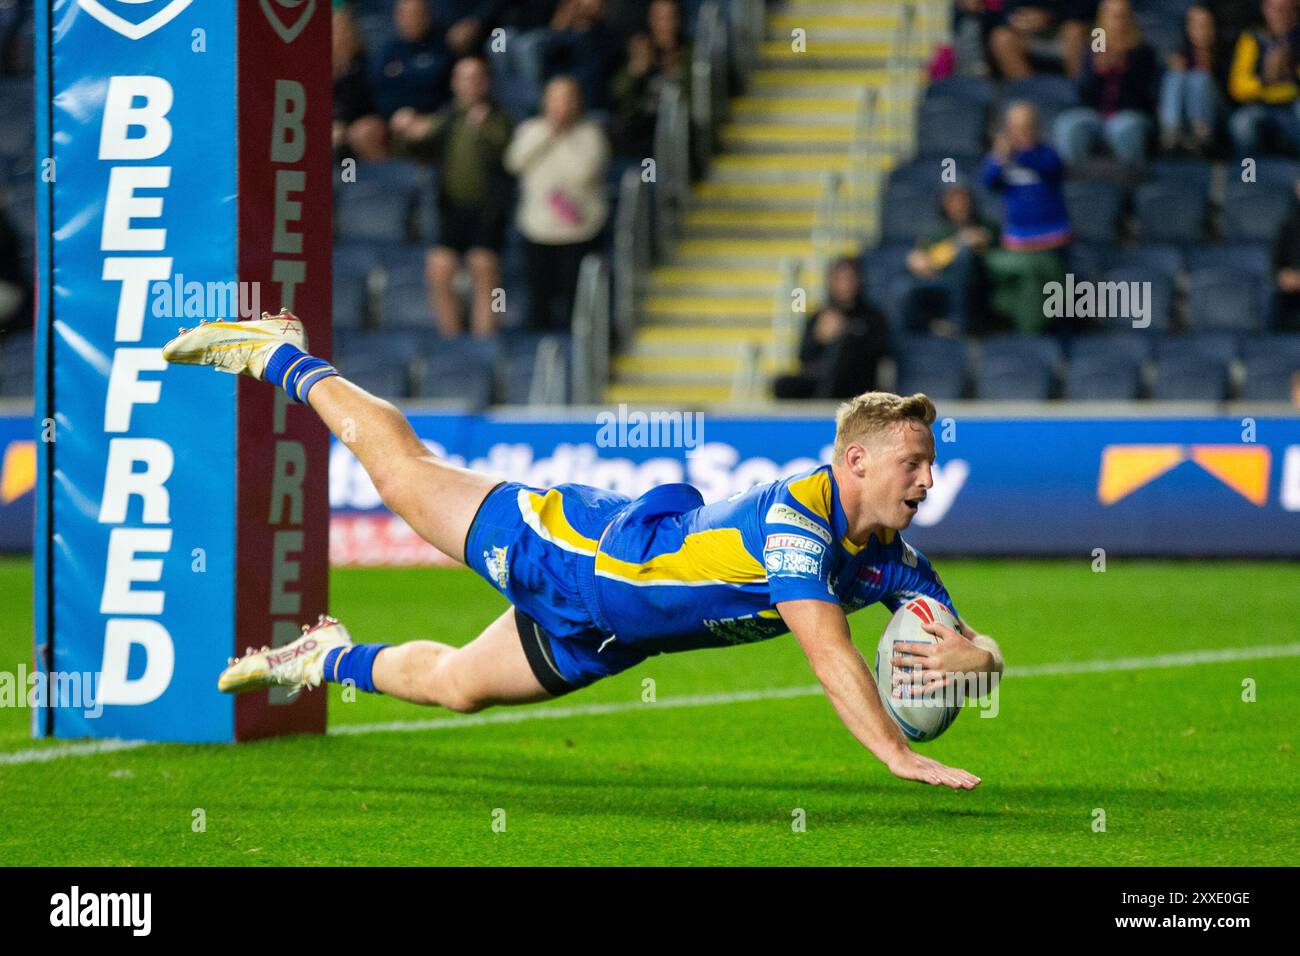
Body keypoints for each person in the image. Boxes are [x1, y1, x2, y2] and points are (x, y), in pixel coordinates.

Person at [162, 312, 1001, 790]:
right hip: (577, 554)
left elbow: (975, 647)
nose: (928, 479)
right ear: (856, 460)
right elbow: (827, 650)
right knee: (403, 474)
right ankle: (283, 352)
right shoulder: (798, 519)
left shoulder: (897, 563)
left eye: (930, 463)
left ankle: (324, 656)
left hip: (610, 634)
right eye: (913, 462)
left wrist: (974, 660)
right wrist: (898, 754)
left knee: (458, 688)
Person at [391, 56, 515, 337]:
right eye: (464, 78)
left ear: (486, 82)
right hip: (452, 208)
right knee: (438, 267)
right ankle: (451, 341)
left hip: (489, 210)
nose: (470, 84)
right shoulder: (447, 117)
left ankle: (484, 342)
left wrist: (483, 130)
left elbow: (507, 153)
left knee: (483, 266)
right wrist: (405, 130)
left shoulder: (500, 117)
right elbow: (416, 146)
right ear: (455, 83)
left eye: (476, 77)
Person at [504, 75, 610, 331]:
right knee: (539, 301)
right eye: (555, 99)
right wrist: (549, 132)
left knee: (578, 302)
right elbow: (514, 162)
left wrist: (565, 136)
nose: (561, 105)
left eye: (567, 99)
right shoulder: (531, 130)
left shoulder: (591, 134)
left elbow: (584, 173)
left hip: (580, 230)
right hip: (538, 229)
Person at [980, 101, 1072, 333]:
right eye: (1016, 128)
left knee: (1051, 292)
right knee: (1021, 291)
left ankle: (1041, 334)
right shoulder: (1002, 160)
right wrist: (1000, 156)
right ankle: (1025, 332)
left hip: (1051, 241)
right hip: (1018, 242)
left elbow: (1048, 168)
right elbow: (988, 181)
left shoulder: (1047, 155)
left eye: (1028, 127)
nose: (1023, 134)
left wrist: (1016, 153)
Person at [1052, 0, 1160, 166]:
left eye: (1122, 16)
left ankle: (1131, 178)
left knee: (1122, 128)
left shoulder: (1142, 50)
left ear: (1130, 18)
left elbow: (1144, 97)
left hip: (1129, 113)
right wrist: (1097, 70)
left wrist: (1125, 67)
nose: (1118, 21)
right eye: (1112, 16)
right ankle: (1075, 182)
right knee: (1068, 124)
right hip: (1095, 113)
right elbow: (1083, 92)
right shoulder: (1098, 42)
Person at [773, 257, 891, 399]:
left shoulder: (872, 316)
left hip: (856, 383)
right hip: (820, 380)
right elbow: (803, 357)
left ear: (859, 280)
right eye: (839, 279)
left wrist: (846, 330)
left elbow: (881, 352)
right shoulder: (819, 316)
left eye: (848, 278)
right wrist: (819, 338)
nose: (844, 284)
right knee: (781, 384)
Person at [902, 183, 998, 334]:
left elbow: (978, 240)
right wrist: (920, 261)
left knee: (964, 255)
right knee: (902, 286)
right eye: (953, 201)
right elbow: (918, 259)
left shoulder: (987, 225)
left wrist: (937, 257)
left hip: (975, 285)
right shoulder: (937, 234)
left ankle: (957, 324)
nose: (960, 205)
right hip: (938, 280)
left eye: (963, 200)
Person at [610, 0, 691, 161]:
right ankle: (649, 180)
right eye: (659, 19)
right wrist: (637, 71)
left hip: (680, 126)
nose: (665, 25)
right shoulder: (641, 51)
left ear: (679, 20)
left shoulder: (690, 53)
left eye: (670, 18)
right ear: (650, 21)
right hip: (645, 128)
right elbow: (618, 94)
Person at [1227, 0, 1300, 156]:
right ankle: (1250, 177)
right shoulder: (1252, 38)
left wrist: (1290, 70)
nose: (1280, 15)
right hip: (1260, 105)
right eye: (1275, 9)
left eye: (1285, 9)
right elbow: (1238, 87)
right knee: (1242, 123)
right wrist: (1264, 80)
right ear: (1265, 9)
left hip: (1293, 104)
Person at [1159, 3, 1231, 155]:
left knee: (1199, 78)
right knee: (1175, 76)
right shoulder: (1179, 54)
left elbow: (1233, 96)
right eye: (1195, 25)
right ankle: (1171, 132)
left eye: (1205, 25)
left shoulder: (1226, 51)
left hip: (1218, 116)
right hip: (1182, 117)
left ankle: (1201, 135)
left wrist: (1211, 68)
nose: (1201, 31)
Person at [373, 0, 453, 122]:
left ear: (427, 16)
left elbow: (435, 80)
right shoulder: (388, 50)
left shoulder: (441, 45)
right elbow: (378, 85)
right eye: (404, 15)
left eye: (416, 15)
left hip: (435, 116)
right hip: (394, 119)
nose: (410, 20)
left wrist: (401, 72)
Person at [332, 5, 386, 163]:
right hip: (330, 122)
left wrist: (345, 124)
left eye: (344, 31)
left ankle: (353, 181)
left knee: (360, 135)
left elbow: (368, 99)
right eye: (335, 32)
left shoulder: (364, 64)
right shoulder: (317, 68)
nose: (340, 37)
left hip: (359, 120)